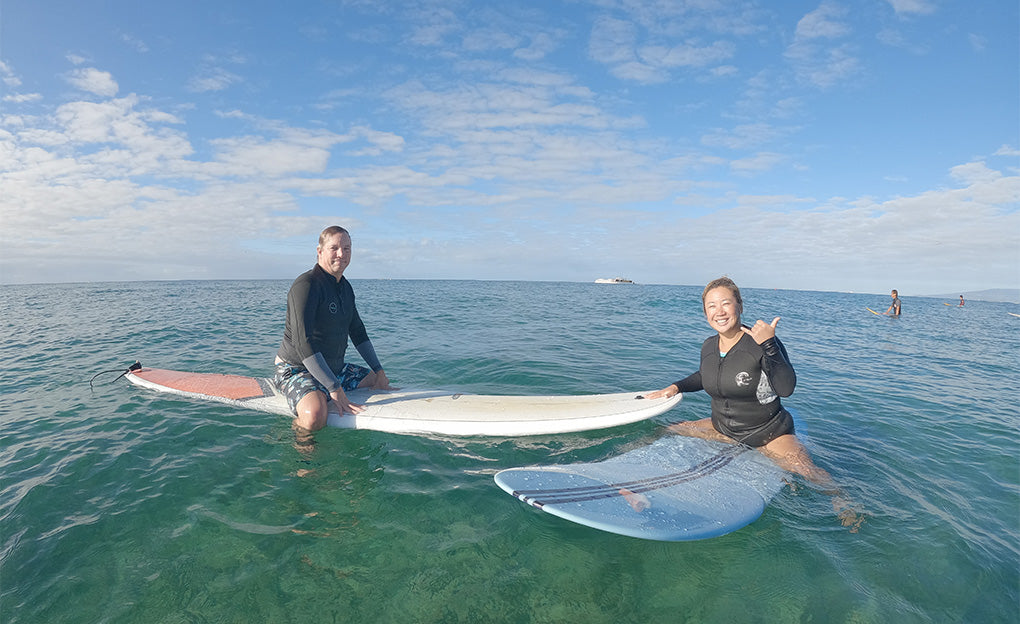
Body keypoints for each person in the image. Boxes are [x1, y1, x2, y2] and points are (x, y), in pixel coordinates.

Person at [643, 277, 862, 529]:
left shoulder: (760, 343)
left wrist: (770, 344)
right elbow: (705, 375)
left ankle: (844, 501)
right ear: (705, 312)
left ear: (740, 306)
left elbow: (786, 388)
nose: (719, 311)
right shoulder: (708, 346)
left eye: (726, 303)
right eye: (712, 306)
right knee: (669, 428)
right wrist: (676, 386)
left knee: (808, 472)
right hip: (722, 429)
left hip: (766, 434)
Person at [273, 226, 393, 432]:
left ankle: (328, 390)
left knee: (376, 382)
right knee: (315, 417)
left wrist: (379, 370)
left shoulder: (345, 288)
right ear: (319, 251)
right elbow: (303, 342)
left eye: (347, 248)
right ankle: (301, 454)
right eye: (334, 248)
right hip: (298, 369)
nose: (341, 254)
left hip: (334, 368)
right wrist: (334, 388)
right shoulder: (306, 286)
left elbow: (358, 332)